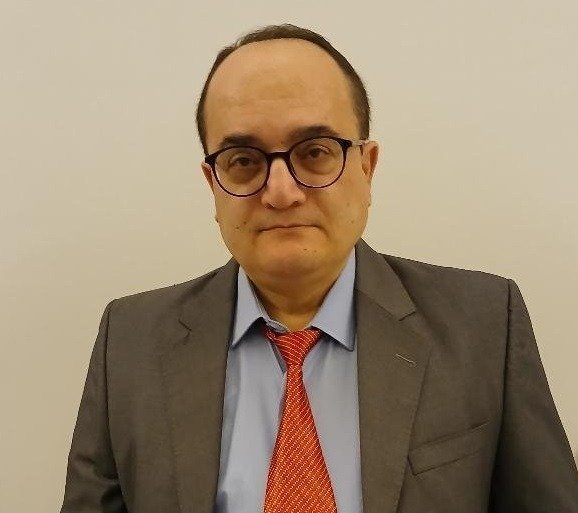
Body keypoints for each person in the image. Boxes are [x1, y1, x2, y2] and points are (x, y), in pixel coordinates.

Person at [60, 24, 578, 513]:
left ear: (366, 167)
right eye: (244, 160)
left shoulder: (483, 326)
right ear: (212, 183)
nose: (281, 192)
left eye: (314, 152)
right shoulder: (130, 343)